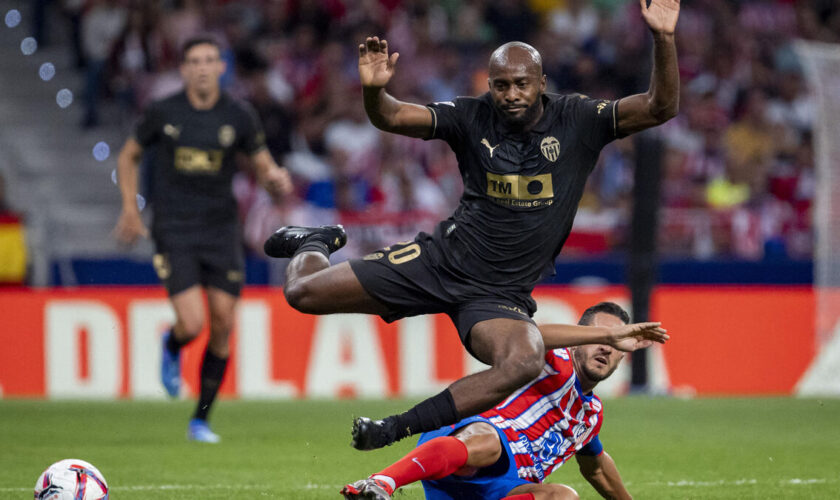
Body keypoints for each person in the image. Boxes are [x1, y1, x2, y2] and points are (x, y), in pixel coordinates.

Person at [264, 0, 680, 451]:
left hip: (499, 296)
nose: (510, 94)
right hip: (441, 260)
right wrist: (374, 92)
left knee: (523, 359)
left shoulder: (579, 119)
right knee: (302, 294)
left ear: (542, 83)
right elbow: (393, 116)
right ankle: (314, 241)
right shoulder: (470, 115)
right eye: (500, 85)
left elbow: (660, 107)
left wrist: (662, 37)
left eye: (521, 84)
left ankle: (394, 429)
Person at [113, 36, 292, 442]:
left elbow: (264, 166)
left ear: (221, 67)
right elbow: (128, 155)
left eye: (210, 59)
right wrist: (129, 208)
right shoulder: (163, 111)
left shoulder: (239, 116)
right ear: (183, 69)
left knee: (224, 323)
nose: (202, 67)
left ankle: (200, 420)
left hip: (221, 228)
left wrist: (276, 179)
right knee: (192, 323)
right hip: (173, 227)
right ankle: (173, 344)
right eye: (194, 60)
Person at [341, 302, 663, 500]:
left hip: (500, 488)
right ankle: (381, 482)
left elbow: (597, 468)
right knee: (489, 439)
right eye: (599, 338)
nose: (607, 348)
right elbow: (526, 333)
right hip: (464, 449)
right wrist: (603, 335)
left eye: (617, 343)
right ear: (580, 337)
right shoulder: (548, 355)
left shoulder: (590, 415)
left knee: (564, 496)